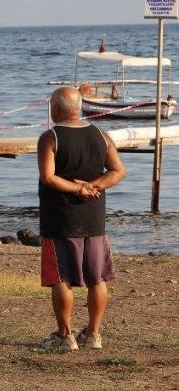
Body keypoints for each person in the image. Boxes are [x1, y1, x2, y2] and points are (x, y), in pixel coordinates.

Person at [38, 86, 125, 350]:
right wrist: (94, 186)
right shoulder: (100, 134)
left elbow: (49, 177)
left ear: (56, 109)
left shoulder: (50, 137)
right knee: (96, 278)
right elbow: (118, 171)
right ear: (79, 107)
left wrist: (80, 188)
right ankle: (92, 334)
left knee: (60, 278)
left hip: (61, 219)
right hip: (93, 219)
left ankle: (65, 336)